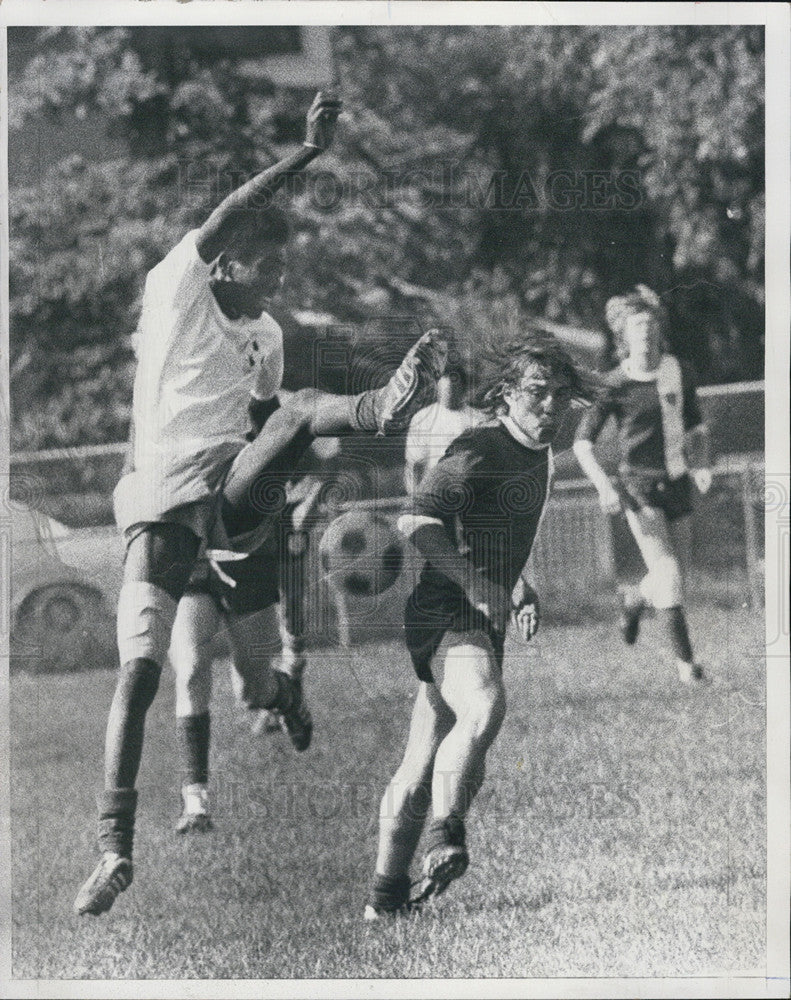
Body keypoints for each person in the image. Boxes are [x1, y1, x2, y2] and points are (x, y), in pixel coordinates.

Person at [74, 90, 448, 916]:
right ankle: (113, 848)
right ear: (224, 266)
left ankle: (379, 406)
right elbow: (233, 206)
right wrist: (307, 154)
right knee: (151, 672)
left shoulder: (266, 336)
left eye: (282, 269)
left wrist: (285, 480)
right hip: (165, 498)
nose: (276, 281)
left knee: (297, 403)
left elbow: (263, 421)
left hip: (232, 489)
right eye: (265, 268)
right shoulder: (177, 289)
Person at [365, 334, 592, 919]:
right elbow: (415, 517)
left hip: (477, 612)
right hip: (445, 609)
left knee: (422, 760)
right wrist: (473, 582)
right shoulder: (481, 445)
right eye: (538, 394)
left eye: (560, 396)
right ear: (507, 396)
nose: (550, 406)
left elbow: (492, 533)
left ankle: (384, 901)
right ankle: (446, 838)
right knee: (484, 706)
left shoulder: (534, 449)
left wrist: (517, 584)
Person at [171, 408, 340, 834]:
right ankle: (196, 804)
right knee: (190, 667)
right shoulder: (179, 410)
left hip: (250, 565)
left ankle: (286, 698)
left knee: (252, 690)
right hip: (195, 564)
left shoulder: (255, 411)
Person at [572, 284, 713, 684]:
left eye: (651, 324)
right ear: (623, 334)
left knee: (676, 577)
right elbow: (581, 444)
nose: (646, 332)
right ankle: (687, 666)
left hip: (677, 482)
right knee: (667, 573)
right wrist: (603, 486)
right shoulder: (614, 383)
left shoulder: (677, 370)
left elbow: (696, 425)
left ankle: (634, 599)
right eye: (637, 325)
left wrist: (701, 464)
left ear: (659, 330)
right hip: (638, 487)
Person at [404, 361, 484, 493]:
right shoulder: (423, 418)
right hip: (433, 492)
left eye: (452, 389)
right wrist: (414, 497)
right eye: (444, 389)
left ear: (463, 389)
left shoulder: (477, 420)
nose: (447, 394)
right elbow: (414, 464)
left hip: (469, 492)